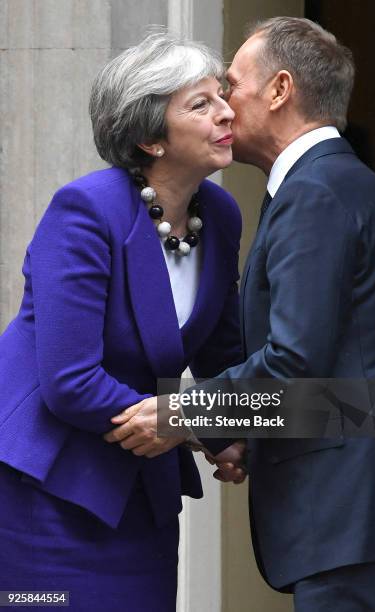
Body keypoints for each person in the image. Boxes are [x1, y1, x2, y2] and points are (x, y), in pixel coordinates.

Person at [109, 17, 375, 611]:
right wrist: (243, 428)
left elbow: (297, 363)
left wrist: (183, 413)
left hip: (349, 517)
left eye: (230, 85)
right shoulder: (351, 186)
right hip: (361, 513)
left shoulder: (316, 194)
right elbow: (352, 375)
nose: (222, 105)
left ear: (279, 90)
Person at [0, 32, 242, 611]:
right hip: (49, 490)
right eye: (200, 103)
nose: (227, 110)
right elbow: (70, 379)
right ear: (149, 138)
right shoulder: (86, 210)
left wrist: (231, 431)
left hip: (143, 489)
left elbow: (224, 357)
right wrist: (189, 423)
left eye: (223, 95)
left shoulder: (222, 213)